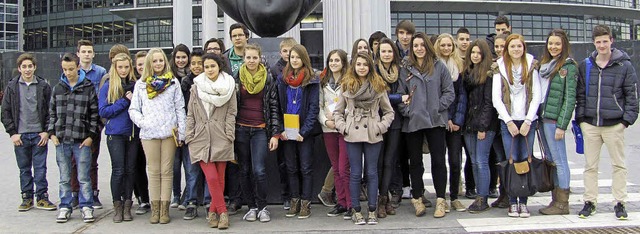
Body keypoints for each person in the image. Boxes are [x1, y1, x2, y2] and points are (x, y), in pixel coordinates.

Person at [576, 24, 639, 220]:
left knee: (618, 165)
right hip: (591, 124)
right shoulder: (586, 65)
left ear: (611, 41)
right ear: (594, 43)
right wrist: (582, 120)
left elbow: (632, 96)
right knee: (590, 166)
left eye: (605, 41)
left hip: (614, 124)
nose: (602, 45)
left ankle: (620, 203)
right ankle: (589, 202)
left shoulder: (624, 65)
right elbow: (580, 94)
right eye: (598, 42)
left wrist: (625, 121)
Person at [398, 32, 455, 218]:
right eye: (415, 46)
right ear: (412, 48)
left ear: (427, 47)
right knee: (415, 162)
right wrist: (409, 111)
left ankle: (440, 199)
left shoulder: (439, 66)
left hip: (435, 120)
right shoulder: (405, 68)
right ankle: (418, 198)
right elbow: (400, 95)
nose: (419, 48)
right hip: (413, 121)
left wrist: (437, 108)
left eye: (422, 45)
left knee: (439, 160)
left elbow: (449, 92)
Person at [334, 52, 394, 225]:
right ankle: (356, 210)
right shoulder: (346, 85)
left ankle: (373, 210)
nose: (361, 67)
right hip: (352, 131)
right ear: (354, 66)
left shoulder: (378, 86)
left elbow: (389, 112)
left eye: (365, 64)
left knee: (372, 172)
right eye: (358, 64)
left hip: (372, 132)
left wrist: (380, 127)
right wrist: (343, 127)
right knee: (354, 173)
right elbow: (338, 112)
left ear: (370, 67)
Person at [128, 48, 187, 224]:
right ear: (149, 63)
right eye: (154, 61)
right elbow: (133, 109)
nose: (158, 64)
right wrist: (144, 122)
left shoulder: (173, 83)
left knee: (167, 171)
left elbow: (180, 108)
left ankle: (164, 209)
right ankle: (155, 209)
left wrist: (181, 132)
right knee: (153, 171)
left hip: (169, 133)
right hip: (149, 134)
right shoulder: (141, 84)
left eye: (161, 60)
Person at [185, 53, 237, 229]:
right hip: (200, 138)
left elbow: (231, 112)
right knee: (212, 177)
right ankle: (223, 212)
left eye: (212, 66)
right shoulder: (196, 87)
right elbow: (190, 114)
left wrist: (229, 133)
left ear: (219, 66)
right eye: (206, 67)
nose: (209, 70)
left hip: (221, 136)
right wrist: (189, 135)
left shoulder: (229, 86)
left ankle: (213, 212)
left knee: (220, 178)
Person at [492, 33, 541, 218]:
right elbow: (497, 98)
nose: (516, 50)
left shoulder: (532, 65)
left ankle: (524, 202)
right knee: (511, 160)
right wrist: (509, 121)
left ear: (523, 48)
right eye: (512, 46)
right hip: (508, 121)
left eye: (519, 46)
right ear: (507, 49)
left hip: (528, 120)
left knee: (525, 160)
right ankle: (513, 202)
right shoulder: (499, 67)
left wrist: (528, 120)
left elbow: (537, 95)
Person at [1, 53, 56, 212]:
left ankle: (42, 197)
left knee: (41, 168)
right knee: (24, 169)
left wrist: (46, 131)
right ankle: (26, 198)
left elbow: (50, 110)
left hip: (39, 135)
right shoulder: (12, 87)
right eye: (24, 67)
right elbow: (5, 112)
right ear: (19, 68)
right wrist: (12, 133)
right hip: (21, 136)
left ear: (34, 67)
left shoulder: (43, 86)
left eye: (30, 66)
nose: (27, 70)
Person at [234, 44, 282, 223]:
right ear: (243, 59)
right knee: (244, 170)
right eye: (248, 58)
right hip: (241, 129)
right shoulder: (237, 78)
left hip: (261, 129)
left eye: (255, 58)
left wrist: (275, 134)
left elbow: (274, 106)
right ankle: (251, 207)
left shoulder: (268, 78)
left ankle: (263, 207)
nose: (251, 61)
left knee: (259, 170)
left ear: (260, 58)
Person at [50, 53, 99, 223]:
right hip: (62, 140)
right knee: (64, 176)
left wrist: (91, 136)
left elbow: (94, 114)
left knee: (84, 176)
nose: (68, 72)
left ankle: (87, 206)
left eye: (71, 69)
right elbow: (51, 113)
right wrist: (52, 133)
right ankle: (65, 206)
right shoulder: (57, 88)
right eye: (65, 69)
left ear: (78, 67)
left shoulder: (88, 87)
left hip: (82, 140)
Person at [537, 28, 577, 216]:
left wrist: (562, 125)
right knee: (552, 160)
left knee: (560, 161)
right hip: (543, 118)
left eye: (557, 44)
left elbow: (569, 99)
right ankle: (555, 200)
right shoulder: (546, 65)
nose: (553, 47)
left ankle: (562, 203)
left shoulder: (568, 67)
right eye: (551, 43)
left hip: (554, 121)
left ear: (564, 45)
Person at [277, 44, 320, 219]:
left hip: (304, 133)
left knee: (305, 168)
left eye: (297, 57)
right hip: (287, 132)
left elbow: (313, 108)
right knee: (291, 167)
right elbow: (277, 105)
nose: (294, 60)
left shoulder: (312, 80)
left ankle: (305, 203)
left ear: (304, 59)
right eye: (292, 57)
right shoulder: (282, 79)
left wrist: (305, 131)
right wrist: (281, 130)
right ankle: (294, 200)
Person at [98, 53, 138, 222]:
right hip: (115, 134)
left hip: (133, 133)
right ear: (114, 68)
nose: (123, 70)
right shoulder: (108, 86)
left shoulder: (136, 85)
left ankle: (128, 205)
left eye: (126, 67)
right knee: (118, 170)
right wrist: (123, 101)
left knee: (130, 170)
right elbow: (104, 111)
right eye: (120, 67)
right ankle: (117, 207)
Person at [462, 39, 497, 213]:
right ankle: (478, 195)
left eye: (478, 53)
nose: (475, 56)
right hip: (469, 125)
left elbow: (489, 103)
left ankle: (483, 198)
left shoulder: (489, 74)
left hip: (484, 125)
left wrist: (483, 127)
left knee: (482, 161)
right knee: (474, 161)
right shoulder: (468, 73)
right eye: (472, 53)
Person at [434, 33, 467, 213]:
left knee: (455, 161)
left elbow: (462, 96)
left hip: (455, 122)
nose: (446, 48)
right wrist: (444, 117)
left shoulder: (459, 67)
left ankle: (454, 196)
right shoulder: (434, 67)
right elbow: (436, 96)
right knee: (439, 160)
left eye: (449, 45)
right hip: (440, 120)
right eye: (443, 45)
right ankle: (442, 197)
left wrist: (456, 120)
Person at [74, 40, 107, 210]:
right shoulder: (73, 70)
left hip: (93, 122)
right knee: (74, 160)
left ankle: (93, 194)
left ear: (93, 54)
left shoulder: (101, 72)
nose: (87, 54)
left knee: (92, 160)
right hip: (75, 122)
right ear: (78, 54)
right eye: (84, 51)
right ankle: (75, 194)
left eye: (89, 51)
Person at [318, 49, 351, 218]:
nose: (333, 63)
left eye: (337, 60)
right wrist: (326, 121)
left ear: (343, 62)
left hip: (344, 129)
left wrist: (339, 120)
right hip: (328, 129)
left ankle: (351, 204)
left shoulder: (350, 82)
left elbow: (351, 106)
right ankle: (341, 202)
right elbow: (320, 107)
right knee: (336, 168)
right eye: (331, 60)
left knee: (344, 167)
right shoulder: (323, 82)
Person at [373, 38, 403, 218]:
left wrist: (399, 96)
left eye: (389, 51)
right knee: (378, 162)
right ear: (378, 54)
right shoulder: (374, 71)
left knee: (390, 162)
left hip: (395, 121)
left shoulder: (399, 71)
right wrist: (399, 98)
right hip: (377, 120)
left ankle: (384, 198)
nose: (386, 54)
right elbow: (378, 96)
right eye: (383, 51)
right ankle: (377, 199)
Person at [223, 23, 251, 215]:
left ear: (247, 37)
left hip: (250, 114)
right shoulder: (224, 58)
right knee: (233, 162)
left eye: (241, 35)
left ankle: (250, 198)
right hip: (230, 115)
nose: (238, 38)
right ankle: (234, 199)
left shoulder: (254, 57)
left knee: (249, 162)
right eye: (234, 35)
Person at [180, 48, 210, 220]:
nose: (197, 66)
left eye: (201, 63)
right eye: (194, 63)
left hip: (208, 132)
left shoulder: (210, 82)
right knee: (192, 171)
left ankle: (207, 201)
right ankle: (191, 202)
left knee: (207, 170)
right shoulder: (185, 83)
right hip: (191, 132)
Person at [270, 37, 298, 210]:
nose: (288, 55)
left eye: (291, 51)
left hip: (297, 120)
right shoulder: (275, 71)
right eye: (285, 51)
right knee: (284, 162)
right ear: (281, 52)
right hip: (282, 119)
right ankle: (286, 194)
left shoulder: (301, 69)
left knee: (298, 161)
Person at [169, 44, 192, 210]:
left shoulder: (193, 77)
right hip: (173, 127)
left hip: (190, 127)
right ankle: (176, 195)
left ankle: (188, 197)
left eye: (184, 57)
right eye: (178, 57)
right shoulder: (168, 77)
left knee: (189, 165)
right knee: (175, 166)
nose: (181, 60)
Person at [131, 50, 151, 215]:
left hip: (152, 131)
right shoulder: (132, 83)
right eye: (139, 65)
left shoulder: (158, 81)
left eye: (145, 63)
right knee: (138, 166)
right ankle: (143, 198)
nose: (142, 67)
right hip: (135, 131)